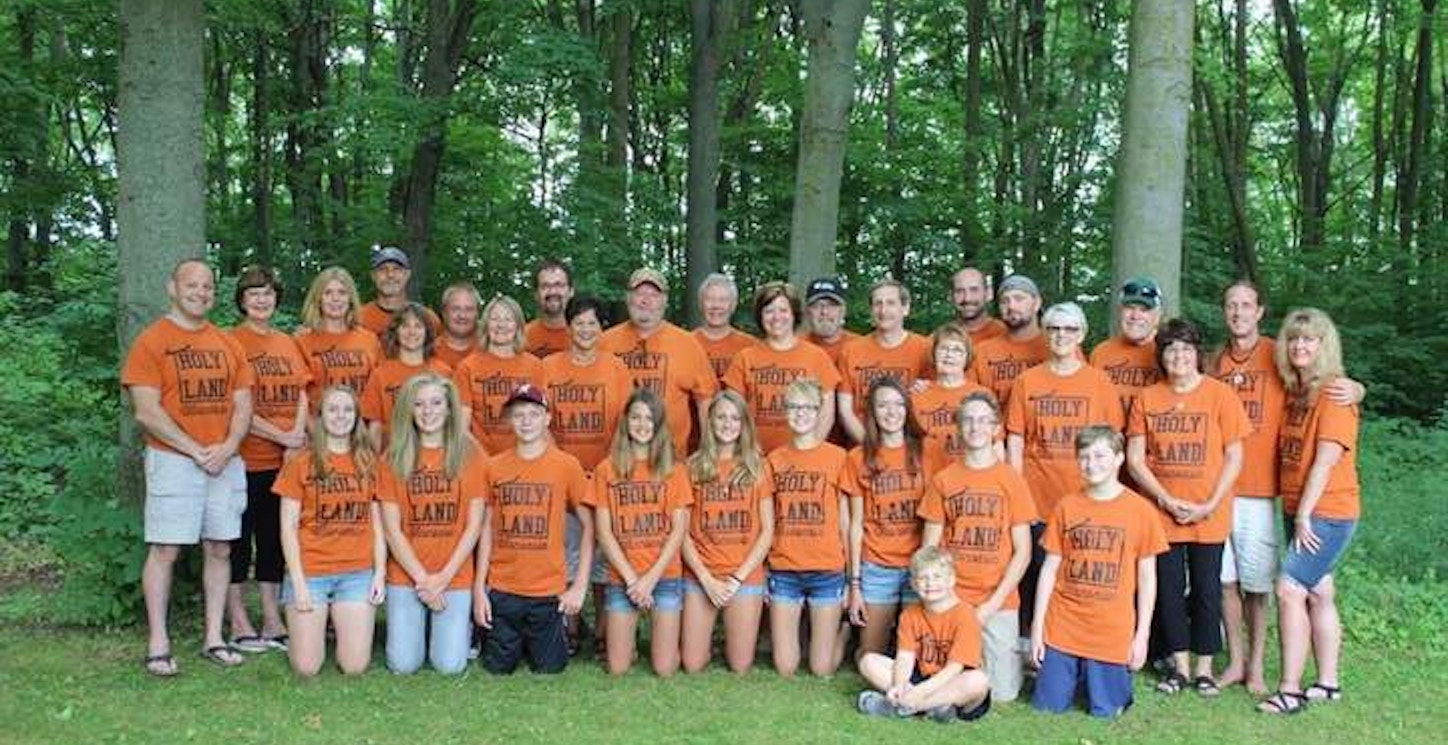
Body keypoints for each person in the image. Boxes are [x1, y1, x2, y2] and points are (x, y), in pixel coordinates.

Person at [1211, 280, 1364, 694]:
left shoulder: (1275, 358)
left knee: (1265, 586)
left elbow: (1335, 398)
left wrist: (1357, 388)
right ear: (1224, 312)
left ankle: (1264, 670)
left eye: (1246, 305)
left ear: (1260, 311)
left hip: (1267, 494)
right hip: (1222, 490)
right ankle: (1241, 664)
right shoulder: (1218, 362)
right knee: (1229, 582)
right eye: (1231, 306)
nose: (1239, 312)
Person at [123, 258, 255, 676]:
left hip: (224, 461)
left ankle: (214, 637)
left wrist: (230, 445)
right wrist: (195, 449)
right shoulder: (152, 341)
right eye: (191, 285)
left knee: (220, 547)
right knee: (166, 549)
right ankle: (158, 642)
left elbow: (243, 404)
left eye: (208, 286)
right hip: (175, 461)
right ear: (172, 288)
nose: (200, 292)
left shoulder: (228, 343)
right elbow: (145, 410)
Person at [1126, 319, 1248, 696]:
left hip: (1208, 513)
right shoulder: (1148, 398)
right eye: (1171, 349)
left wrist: (1210, 502)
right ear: (1161, 356)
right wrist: (1163, 498)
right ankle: (1178, 667)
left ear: (1198, 354)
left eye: (1186, 349)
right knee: (1168, 588)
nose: (1178, 356)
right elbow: (1134, 459)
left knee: (1208, 590)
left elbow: (1234, 455)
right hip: (1161, 513)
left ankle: (1205, 668)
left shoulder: (1220, 395)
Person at [1258, 308, 1361, 715]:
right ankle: (1328, 683)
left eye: (1310, 339)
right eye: (1294, 339)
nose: (1300, 346)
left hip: (1326, 510)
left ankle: (1289, 690)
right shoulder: (1297, 392)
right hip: (1299, 505)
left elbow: (1325, 460)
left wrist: (1304, 514)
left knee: (1289, 590)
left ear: (1324, 346)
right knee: (1320, 591)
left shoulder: (1334, 394)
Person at [1030, 426, 1167, 718]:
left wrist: (1141, 636)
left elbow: (1147, 579)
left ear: (1119, 459)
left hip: (1110, 628)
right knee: (1047, 707)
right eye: (1084, 457)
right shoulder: (1067, 506)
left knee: (1107, 710)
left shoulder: (1141, 511)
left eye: (1100, 455)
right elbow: (1049, 571)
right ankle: (1074, 674)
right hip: (1064, 624)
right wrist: (1037, 629)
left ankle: (1093, 677)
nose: (1091, 464)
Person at [1004, 302, 1121, 641]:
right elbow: (1015, 437)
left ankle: (1070, 641)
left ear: (1081, 335)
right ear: (1045, 333)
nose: (1061, 336)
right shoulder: (1028, 381)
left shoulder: (1099, 382)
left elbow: (1112, 440)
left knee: (1077, 574)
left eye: (1069, 330)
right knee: (1034, 570)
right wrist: (1016, 490)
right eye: (1054, 329)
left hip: (1085, 498)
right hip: (1037, 496)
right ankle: (1028, 642)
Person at [919, 392, 1036, 702]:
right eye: (968, 419)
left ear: (996, 427)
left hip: (998, 600)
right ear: (958, 427)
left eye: (983, 420)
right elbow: (929, 550)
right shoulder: (944, 480)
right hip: (951, 597)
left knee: (1002, 695)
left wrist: (991, 605)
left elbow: (1023, 551)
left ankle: (938, 694)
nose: (975, 426)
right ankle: (934, 694)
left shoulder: (1012, 479)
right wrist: (947, 600)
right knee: (945, 675)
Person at [473, 384, 594, 675]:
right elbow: (486, 529)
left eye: (534, 413)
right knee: (498, 668)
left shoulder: (566, 465)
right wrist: (480, 588)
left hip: (548, 590)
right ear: (509, 421)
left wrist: (579, 586)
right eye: (518, 415)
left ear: (548, 419)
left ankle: (548, 634)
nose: (526, 421)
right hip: (504, 587)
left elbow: (591, 526)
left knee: (550, 668)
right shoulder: (493, 466)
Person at [377, 373, 487, 675]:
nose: (428, 412)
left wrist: (443, 578)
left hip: (454, 572)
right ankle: (422, 624)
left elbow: (474, 525)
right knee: (403, 665)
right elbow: (391, 530)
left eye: (436, 403)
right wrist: (424, 580)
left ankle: (454, 627)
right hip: (407, 573)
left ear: (450, 408)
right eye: (419, 404)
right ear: (408, 411)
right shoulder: (392, 458)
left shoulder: (469, 454)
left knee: (449, 666)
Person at [540, 295, 632, 654]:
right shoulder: (548, 367)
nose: (586, 329)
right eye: (579, 322)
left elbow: (625, 422)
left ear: (602, 327)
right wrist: (565, 469)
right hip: (564, 472)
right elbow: (540, 420)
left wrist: (608, 469)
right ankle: (571, 626)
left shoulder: (616, 368)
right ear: (569, 325)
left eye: (593, 323)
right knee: (570, 552)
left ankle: (604, 632)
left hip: (606, 472)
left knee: (605, 554)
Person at [226, 266, 310, 654]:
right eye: (254, 294)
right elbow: (233, 406)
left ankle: (273, 618)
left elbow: (303, 391)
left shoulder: (288, 342)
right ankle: (239, 619)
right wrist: (281, 435)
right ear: (242, 300)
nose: (262, 300)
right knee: (238, 541)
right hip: (243, 460)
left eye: (268, 293)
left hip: (285, 462)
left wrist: (296, 437)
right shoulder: (231, 342)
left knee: (275, 540)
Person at [275, 385, 385, 677]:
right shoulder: (300, 463)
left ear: (357, 417)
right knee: (306, 668)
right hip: (311, 572)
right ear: (320, 417)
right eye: (333, 409)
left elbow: (377, 523)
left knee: (354, 666)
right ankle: (309, 629)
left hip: (356, 573)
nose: (340, 416)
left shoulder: (369, 462)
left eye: (348, 410)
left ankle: (336, 624)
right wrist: (297, 581)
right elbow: (287, 527)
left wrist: (380, 573)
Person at [589, 388, 693, 676]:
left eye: (650, 419)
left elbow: (678, 530)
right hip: (624, 577)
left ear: (659, 425)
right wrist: (633, 580)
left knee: (664, 669)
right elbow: (604, 532)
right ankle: (627, 644)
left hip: (664, 576)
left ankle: (680, 644)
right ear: (625, 421)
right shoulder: (607, 469)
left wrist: (650, 579)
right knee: (617, 668)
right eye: (636, 417)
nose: (642, 425)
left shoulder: (674, 469)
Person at [680, 391, 774, 674]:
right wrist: (707, 579)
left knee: (740, 665)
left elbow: (767, 531)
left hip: (742, 575)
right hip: (701, 575)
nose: (728, 423)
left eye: (735, 418)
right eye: (721, 416)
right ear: (709, 421)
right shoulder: (693, 466)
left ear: (745, 424)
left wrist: (736, 578)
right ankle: (704, 641)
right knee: (692, 664)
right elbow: (681, 532)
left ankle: (729, 639)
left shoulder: (758, 466)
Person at [843, 378, 938, 658]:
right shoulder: (858, 457)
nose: (891, 412)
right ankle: (844, 632)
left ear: (908, 409)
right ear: (871, 412)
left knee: (918, 657)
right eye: (883, 405)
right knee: (871, 654)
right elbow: (856, 525)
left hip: (918, 565)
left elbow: (938, 515)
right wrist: (855, 585)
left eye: (898, 404)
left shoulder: (927, 450)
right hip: (878, 566)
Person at [765, 379, 849, 677]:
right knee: (786, 667)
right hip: (785, 568)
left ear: (819, 412)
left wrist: (852, 578)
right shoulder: (773, 460)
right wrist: (764, 569)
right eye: (794, 407)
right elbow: (768, 520)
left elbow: (845, 520)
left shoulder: (838, 458)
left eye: (808, 408)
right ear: (785, 411)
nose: (801, 414)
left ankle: (846, 630)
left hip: (826, 568)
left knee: (821, 668)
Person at [856, 546, 993, 723]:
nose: (930, 584)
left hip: (952, 680)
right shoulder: (909, 615)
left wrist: (919, 694)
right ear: (913, 584)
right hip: (920, 677)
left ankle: (904, 707)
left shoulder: (966, 616)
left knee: (978, 681)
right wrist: (899, 685)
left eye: (937, 577)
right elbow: (905, 657)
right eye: (923, 578)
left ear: (952, 580)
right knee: (868, 662)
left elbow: (955, 668)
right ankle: (933, 708)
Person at [600, 267, 718, 456]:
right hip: (617, 460)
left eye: (654, 294)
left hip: (671, 461)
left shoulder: (687, 343)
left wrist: (709, 453)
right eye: (639, 293)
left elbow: (706, 401)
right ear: (628, 298)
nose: (646, 300)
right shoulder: (605, 343)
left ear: (665, 301)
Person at [722, 281, 841, 453]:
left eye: (783, 310)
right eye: (769, 311)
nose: (776, 317)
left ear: (794, 314)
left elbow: (827, 414)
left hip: (802, 457)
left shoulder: (817, 357)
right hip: (754, 457)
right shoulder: (744, 358)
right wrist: (749, 451)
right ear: (760, 316)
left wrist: (809, 449)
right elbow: (733, 412)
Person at [837, 279, 934, 444]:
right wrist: (871, 446)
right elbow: (845, 410)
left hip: (910, 449)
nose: (883, 310)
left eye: (891, 303)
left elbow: (935, 403)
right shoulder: (851, 351)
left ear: (905, 308)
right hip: (862, 447)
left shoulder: (926, 349)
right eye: (877, 304)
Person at [453, 294, 545, 454]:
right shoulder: (467, 367)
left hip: (523, 459)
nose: (501, 325)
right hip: (480, 459)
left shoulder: (535, 366)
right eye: (495, 319)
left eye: (508, 319)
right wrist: (485, 463)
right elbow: (461, 429)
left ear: (518, 326)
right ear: (485, 325)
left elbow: (541, 422)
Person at [361, 302, 453, 444]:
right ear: (396, 332)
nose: (411, 332)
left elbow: (452, 424)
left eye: (418, 326)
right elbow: (375, 428)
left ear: (427, 332)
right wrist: (375, 464)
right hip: (392, 457)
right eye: (405, 326)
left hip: (433, 459)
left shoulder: (443, 372)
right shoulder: (380, 374)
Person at [294, 267, 383, 406]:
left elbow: (379, 391)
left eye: (342, 293)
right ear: (318, 299)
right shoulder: (301, 342)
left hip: (361, 423)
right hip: (319, 423)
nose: (335, 299)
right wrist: (313, 428)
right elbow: (300, 395)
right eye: (328, 293)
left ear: (351, 299)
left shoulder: (370, 340)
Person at [911, 323, 993, 464]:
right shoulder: (916, 395)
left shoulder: (982, 395)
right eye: (943, 348)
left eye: (957, 350)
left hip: (970, 477)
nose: (949, 355)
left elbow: (995, 445)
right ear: (933, 354)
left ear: (967, 357)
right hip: (928, 477)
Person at [1090, 277, 1163, 421]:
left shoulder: (1169, 355)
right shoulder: (1101, 353)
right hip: (1107, 439)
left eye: (1144, 310)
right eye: (1129, 308)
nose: (1135, 316)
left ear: (1158, 315)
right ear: (1120, 311)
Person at [970, 274, 1048, 408]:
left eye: (1019, 299)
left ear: (1037, 303)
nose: (1011, 306)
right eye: (1004, 301)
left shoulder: (1058, 347)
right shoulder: (982, 352)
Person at [357, 246, 442, 339]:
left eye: (397, 269)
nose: (390, 275)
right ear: (373, 276)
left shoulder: (428, 319)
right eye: (382, 269)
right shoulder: (358, 318)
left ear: (407, 274)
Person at [692, 272, 757, 380]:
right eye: (710, 299)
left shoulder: (750, 346)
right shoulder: (686, 343)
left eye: (723, 300)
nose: (716, 305)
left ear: (733, 305)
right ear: (700, 303)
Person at [803, 277, 860, 368]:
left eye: (832, 305)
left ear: (843, 311)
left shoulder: (861, 348)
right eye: (817, 305)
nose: (824, 312)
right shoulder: (794, 348)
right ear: (807, 311)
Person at [524, 259, 575, 358]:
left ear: (571, 291)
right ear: (535, 294)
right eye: (545, 286)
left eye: (558, 285)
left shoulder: (588, 338)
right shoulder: (521, 338)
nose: (552, 291)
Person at [951, 267, 1007, 345]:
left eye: (974, 290)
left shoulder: (1007, 335)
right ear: (951, 297)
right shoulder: (936, 342)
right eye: (959, 291)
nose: (967, 298)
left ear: (989, 294)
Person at [434, 282, 482, 369]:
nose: (462, 315)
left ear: (477, 313)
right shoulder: (428, 351)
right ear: (444, 312)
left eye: (469, 309)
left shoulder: (489, 350)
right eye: (455, 309)